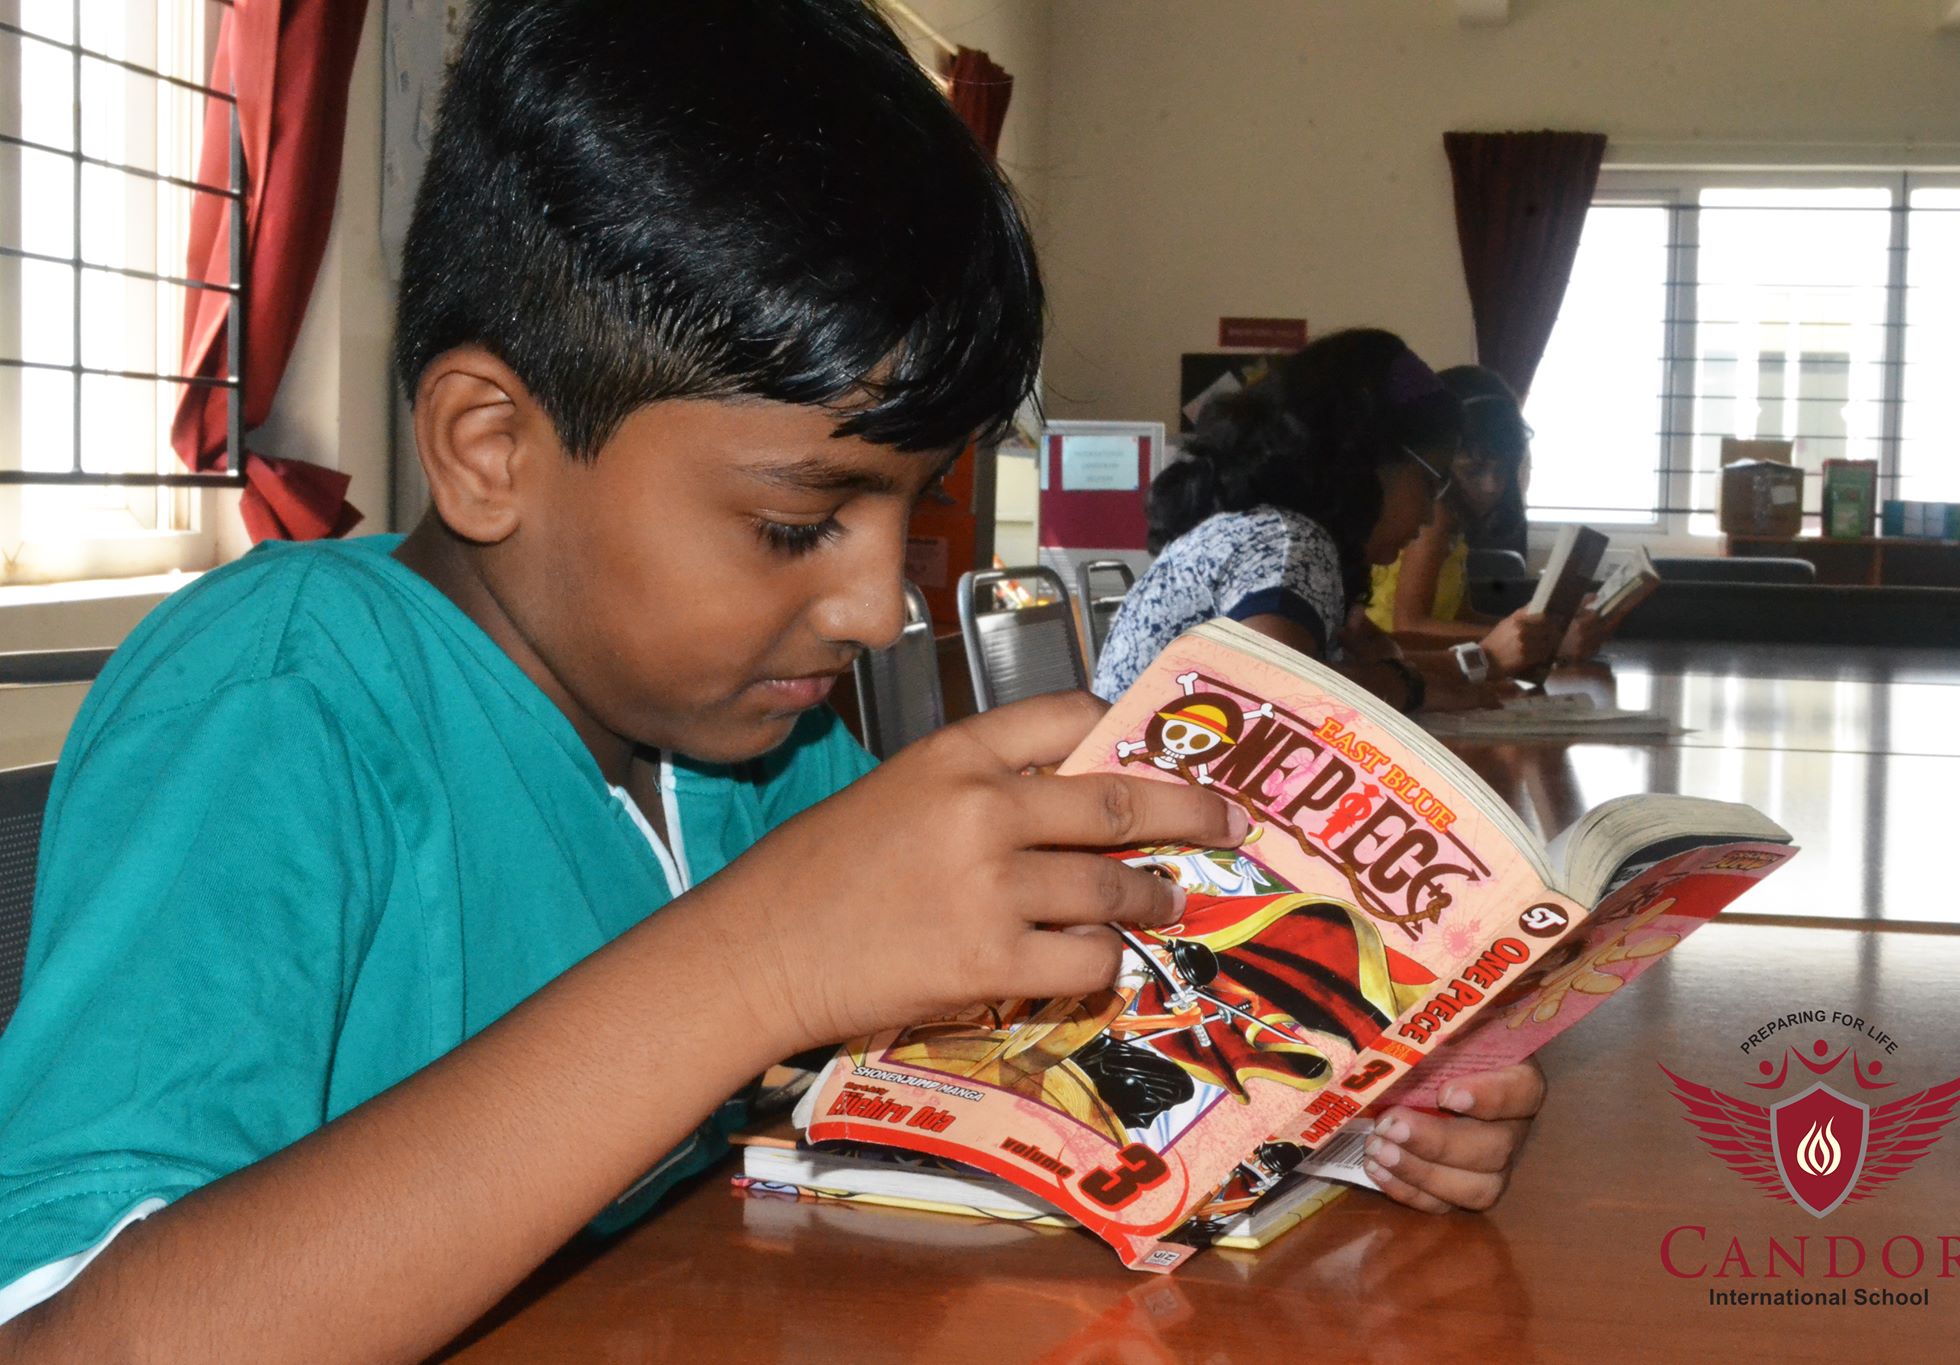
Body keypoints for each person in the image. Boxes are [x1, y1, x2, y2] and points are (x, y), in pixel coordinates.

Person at [0, 6, 1540, 1358]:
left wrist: (1299, 1095)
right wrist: (761, 957)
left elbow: (946, 1090)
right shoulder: (276, 697)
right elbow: (90, 1337)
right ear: (489, 447)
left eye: (911, 505)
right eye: (797, 522)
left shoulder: (750, 737)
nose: (877, 607)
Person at [1092, 331, 1560, 711]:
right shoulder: (1286, 541)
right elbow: (1270, 698)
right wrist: (1402, 686)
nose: (1427, 513)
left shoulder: (1280, 536)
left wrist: (1393, 668)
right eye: (1431, 480)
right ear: (1368, 461)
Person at [1363, 365, 1605, 665]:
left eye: (1502, 469)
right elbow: (1409, 625)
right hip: (1392, 664)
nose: (1492, 486)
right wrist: (1540, 642)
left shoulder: (1456, 520)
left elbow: (1456, 617)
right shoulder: (1434, 515)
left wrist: (1529, 633)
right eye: (1473, 470)